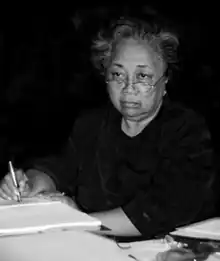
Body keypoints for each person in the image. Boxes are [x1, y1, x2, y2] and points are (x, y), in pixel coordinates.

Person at [0, 16, 216, 239]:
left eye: (143, 76)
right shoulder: (92, 125)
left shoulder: (187, 131)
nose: (128, 88)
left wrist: (79, 220)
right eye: (117, 75)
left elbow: (159, 211)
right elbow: (60, 168)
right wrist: (30, 184)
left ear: (165, 80)